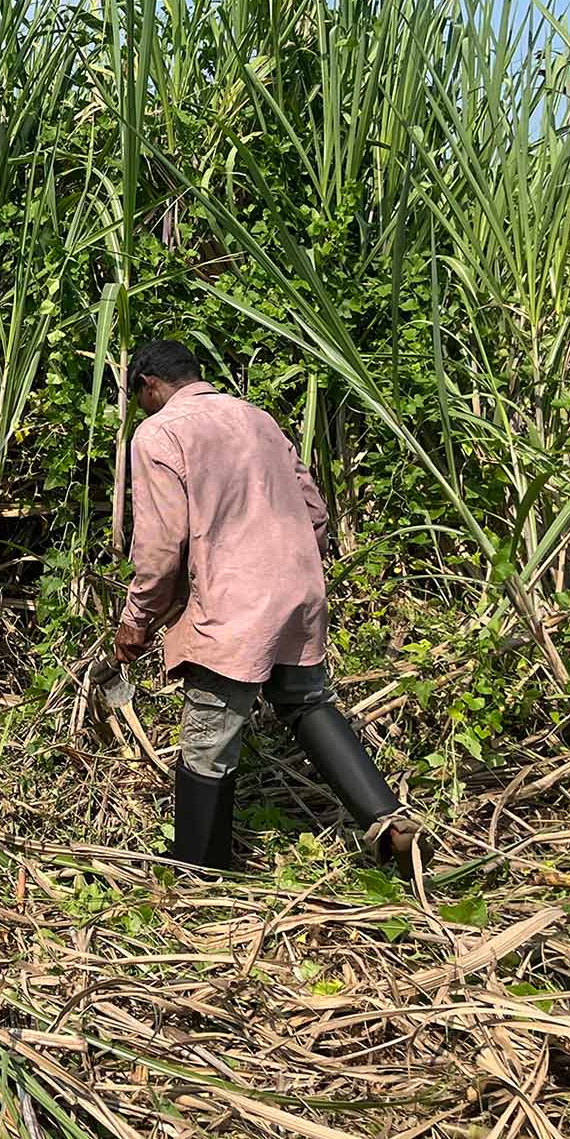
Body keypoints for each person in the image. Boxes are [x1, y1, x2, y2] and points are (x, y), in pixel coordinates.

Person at [111, 342, 418, 873]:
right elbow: (314, 510)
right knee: (306, 703)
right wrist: (288, 566)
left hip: (231, 607)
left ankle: (199, 871)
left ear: (148, 384)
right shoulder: (256, 418)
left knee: (209, 737)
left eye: (135, 396)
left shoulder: (159, 432)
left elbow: (160, 550)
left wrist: (136, 622)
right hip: (297, 590)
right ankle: (388, 820)